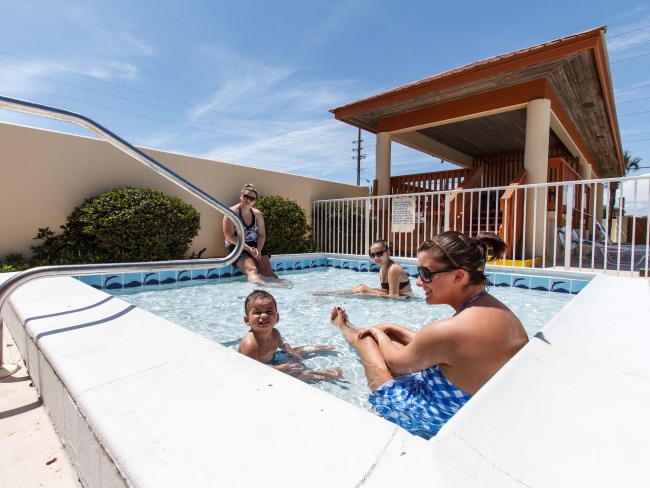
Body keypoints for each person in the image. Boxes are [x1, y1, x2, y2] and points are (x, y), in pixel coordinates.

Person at [330, 231, 528, 439]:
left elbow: (396, 363)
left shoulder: (448, 331)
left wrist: (378, 333)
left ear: (458, 276)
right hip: (471, 410)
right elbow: (437, 347)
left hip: (433, 419)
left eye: (425, 273)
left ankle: (345, 327)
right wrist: (394, 328)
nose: (418, 282)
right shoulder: (502, 314)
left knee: (367, 340)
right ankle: (365, 330)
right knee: (394, 338)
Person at [239, 290, 343, 383]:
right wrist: (279, 369)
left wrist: (290, 350)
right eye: (257, 312)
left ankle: (313, 348)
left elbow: (282, 345)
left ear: (277, 318)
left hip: (273, 358)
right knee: (299, 375)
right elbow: (252, 370)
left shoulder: (275, 333)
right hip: (262, 369)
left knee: (297, 351)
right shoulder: (250, 344)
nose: (264, 315)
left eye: (269, 311)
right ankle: (321, 374)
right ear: (247, 320)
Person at [223, 183, 285, 286]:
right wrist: (248, 249)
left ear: (255, 201)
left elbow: (261, 235)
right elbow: (229, 236)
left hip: (255, 245)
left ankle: (284, 286)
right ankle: (266, 287)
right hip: (236, 245)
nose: (248, 200)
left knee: (267, 271)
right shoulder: (231, 212)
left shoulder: (257, 214)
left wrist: (259, 249)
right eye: (246, 196)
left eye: (252, 198)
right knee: (252, 270)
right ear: (241, 196)